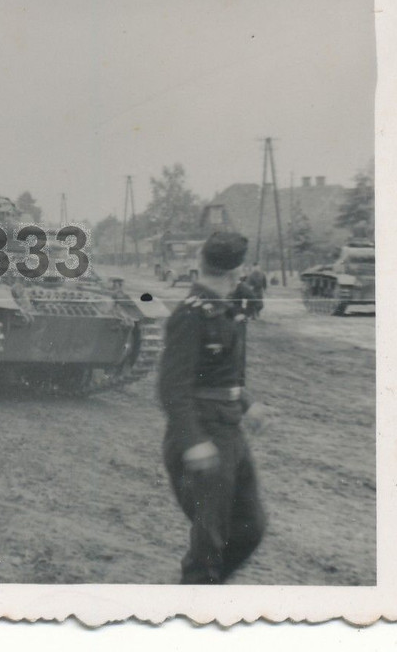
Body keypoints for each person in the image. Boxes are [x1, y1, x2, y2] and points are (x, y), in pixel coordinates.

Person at [158, 230, 267, 584]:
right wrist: (193, 441)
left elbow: (221, 373)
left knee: (250, 527)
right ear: (235, 274)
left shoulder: (225, 311)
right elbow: (172, 386)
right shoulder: (191, 315)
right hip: (203, 434)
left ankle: (206, 590)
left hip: (230, 429)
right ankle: (195, 604)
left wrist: (246, 403)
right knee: (210, 540)